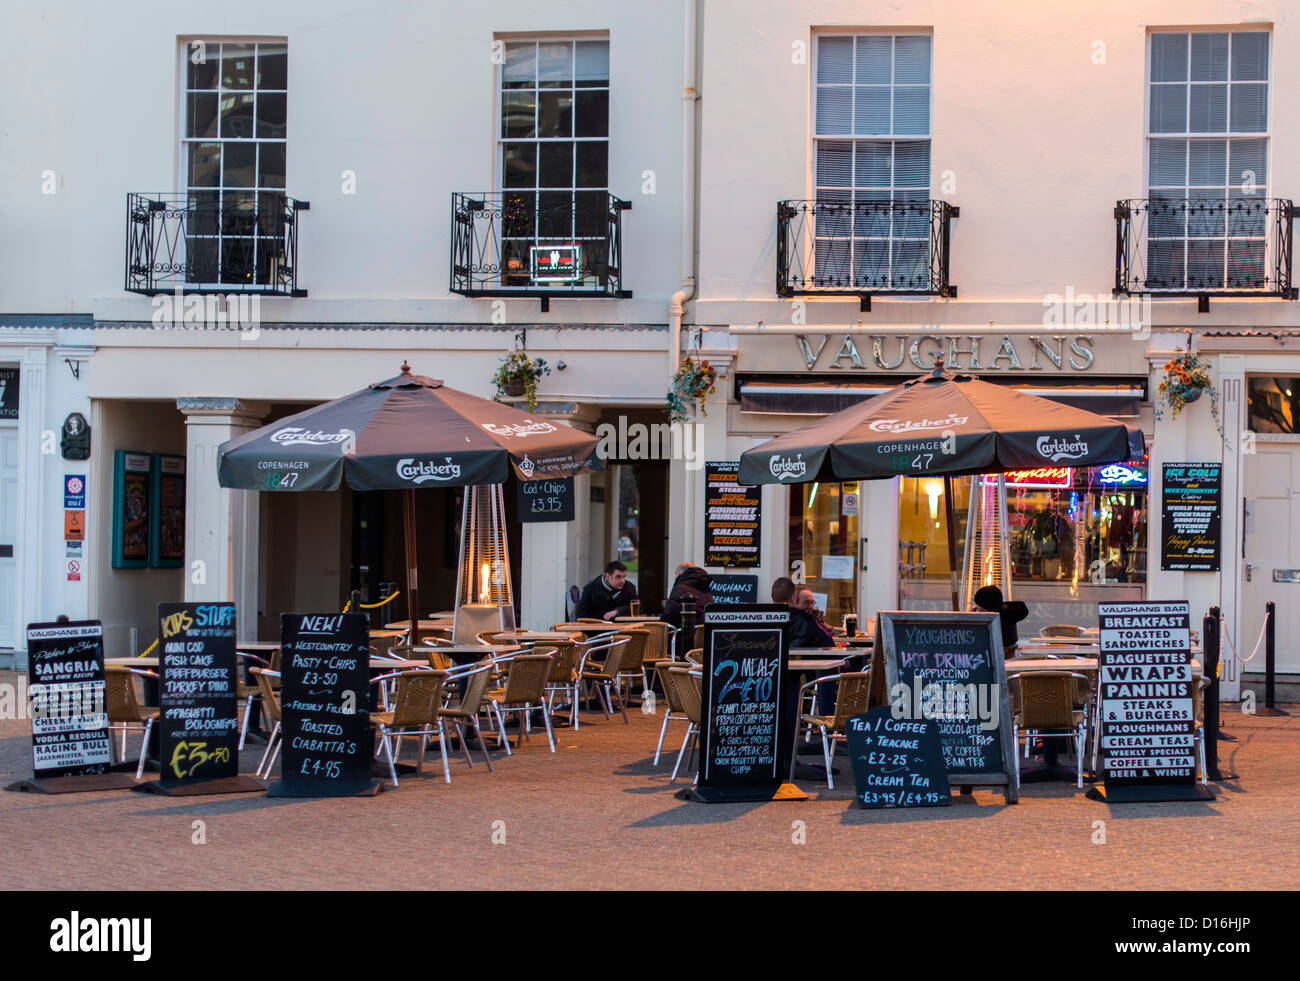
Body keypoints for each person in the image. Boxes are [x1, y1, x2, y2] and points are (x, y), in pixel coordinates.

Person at [972, 585, 1029, 658]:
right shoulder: (1006, 614)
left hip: (1002, 655)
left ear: (989, 608)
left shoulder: (1002, 618)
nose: (977, 610)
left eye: (979, 608)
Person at [662, 561, 712, 629]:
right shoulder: (705, 586)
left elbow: (669, 617)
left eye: (676, 573)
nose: (675, 577)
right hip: (704, 635)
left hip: (685, 634)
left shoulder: (680, 588)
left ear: (681, 573)